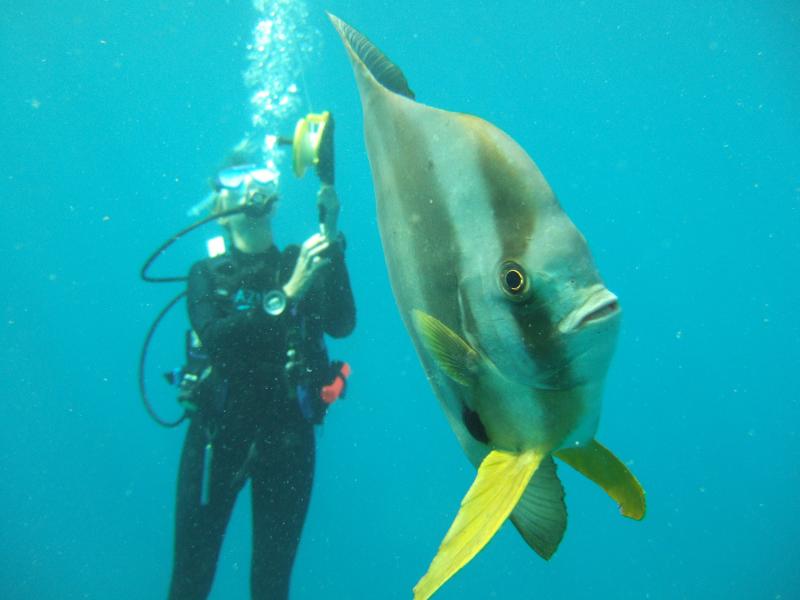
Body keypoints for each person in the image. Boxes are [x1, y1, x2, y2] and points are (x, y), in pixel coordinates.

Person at [167, 140, 356, 599]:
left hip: (288, 439)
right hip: (217, 437)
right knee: (190, 579)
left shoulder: (300, 260)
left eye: (261, 179)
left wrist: (332, 242)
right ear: (219, 207)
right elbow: (219, 341)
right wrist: (287, 296)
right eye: (235, 182)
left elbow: (342, 323)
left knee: (272, 585)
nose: (250, 189)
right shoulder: (207, 275)